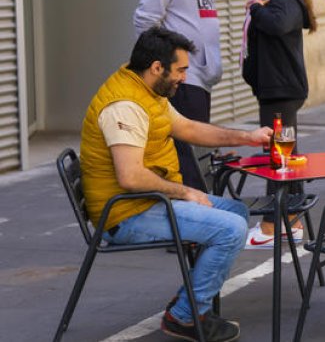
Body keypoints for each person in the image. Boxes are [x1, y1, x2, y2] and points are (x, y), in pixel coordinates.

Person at [81, 27, 272, 342]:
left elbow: (188, 128)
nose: (185, 76)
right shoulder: (125, 106)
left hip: (147, 201)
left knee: (236, 211)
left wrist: (247, 137)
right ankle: (184, 316)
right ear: (157, 67)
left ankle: (189, 300)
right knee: (230, 230)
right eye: (181, 69)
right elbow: (130, 177)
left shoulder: (146, 89)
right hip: (125, 215)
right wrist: (185, 191)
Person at [133, 0, 222, 191]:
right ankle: (195, 218)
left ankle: (201, 212)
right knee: (188, 153)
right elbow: (147, 19)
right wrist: (163, 67)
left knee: (196, 151)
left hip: (200, 75)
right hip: (181, 76)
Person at [239, 0, 317, 249]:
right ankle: (291, 222)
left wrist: (258, 9)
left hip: (281, 91)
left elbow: (276, 24)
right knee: (285, 155)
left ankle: (274, 226)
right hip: (276, 89)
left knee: (279, 156)